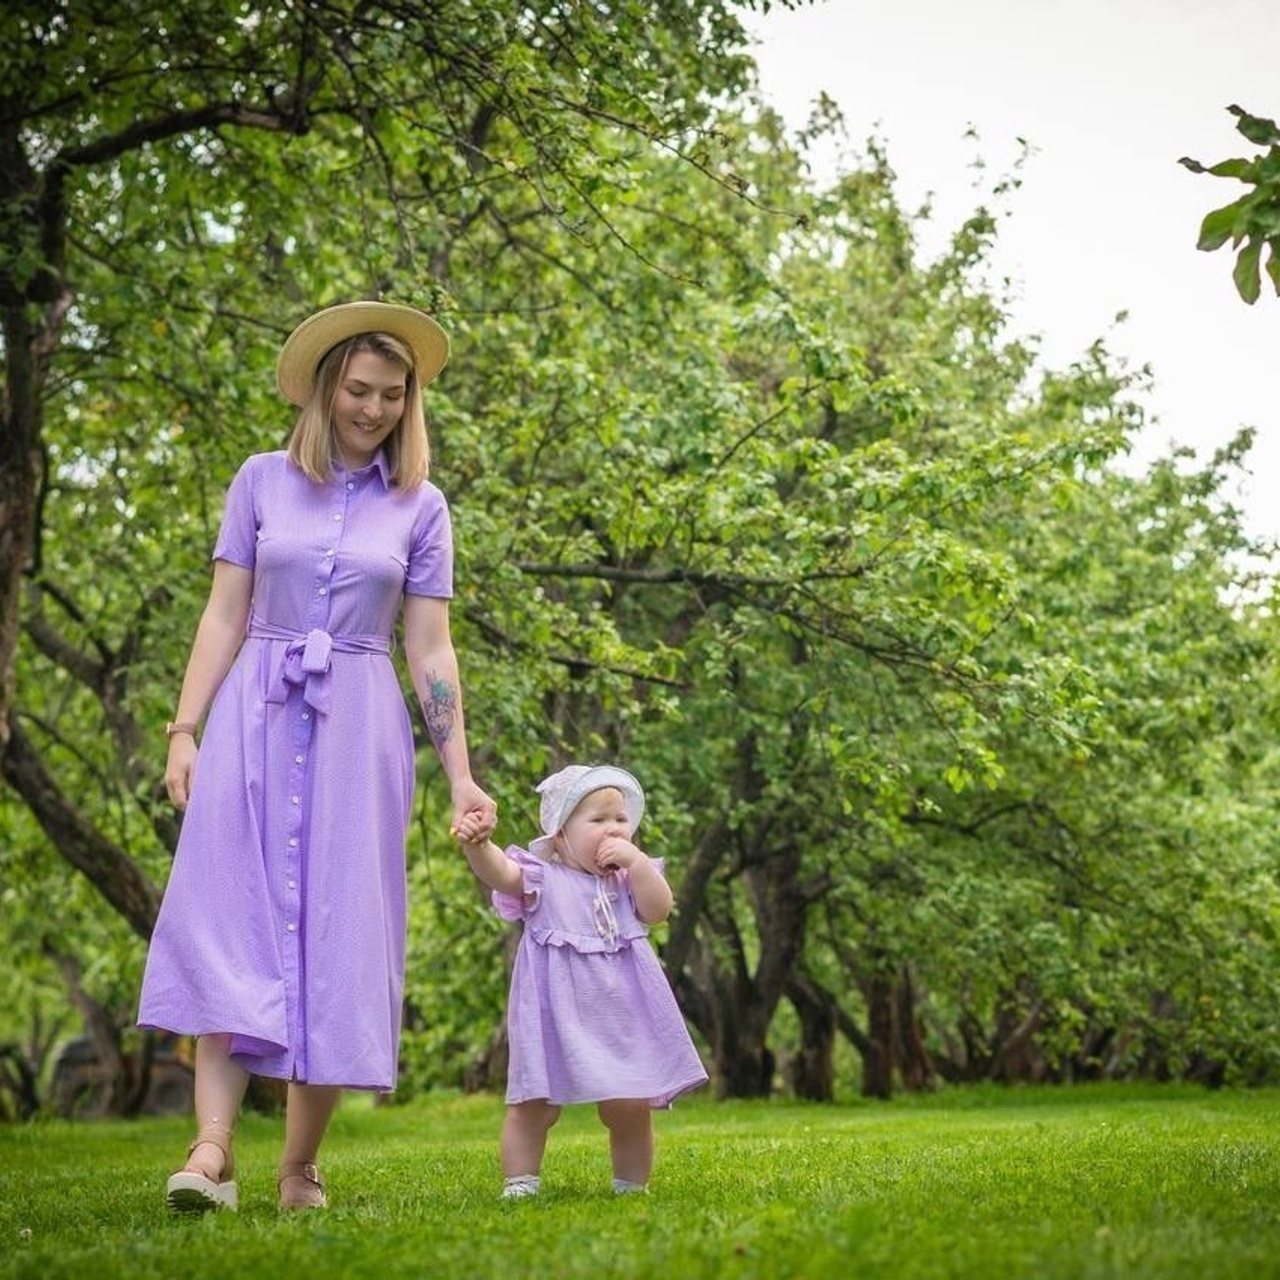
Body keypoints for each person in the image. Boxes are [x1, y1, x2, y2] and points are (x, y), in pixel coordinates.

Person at [138, 300, 497, 1214]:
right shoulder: (260, 481)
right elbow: (222, 615)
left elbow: (430, 648)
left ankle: (299, 1166)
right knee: (230, 918)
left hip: (358, 726)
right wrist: (185, 729)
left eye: (391, 395)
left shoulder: (423, 507)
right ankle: (211, 1150)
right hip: (253, 713)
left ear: (409, 402)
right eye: (357, 389)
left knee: (339, 935)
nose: (371, 409)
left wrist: (461, 773)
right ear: (326, 386)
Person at [453, 763, 707, 1199]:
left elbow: (659, 910)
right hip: (555, 1011)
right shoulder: (543, 877)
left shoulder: (630, 879)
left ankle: (631, 1185)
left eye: (621, 819)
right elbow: (500, 873)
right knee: (535, 1100)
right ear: (561, 836)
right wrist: (479, 846)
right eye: (598, 819)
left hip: (620, 1013)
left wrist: (638, 862)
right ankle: (520, 1183)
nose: (614, 829)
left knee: (630, 1103)